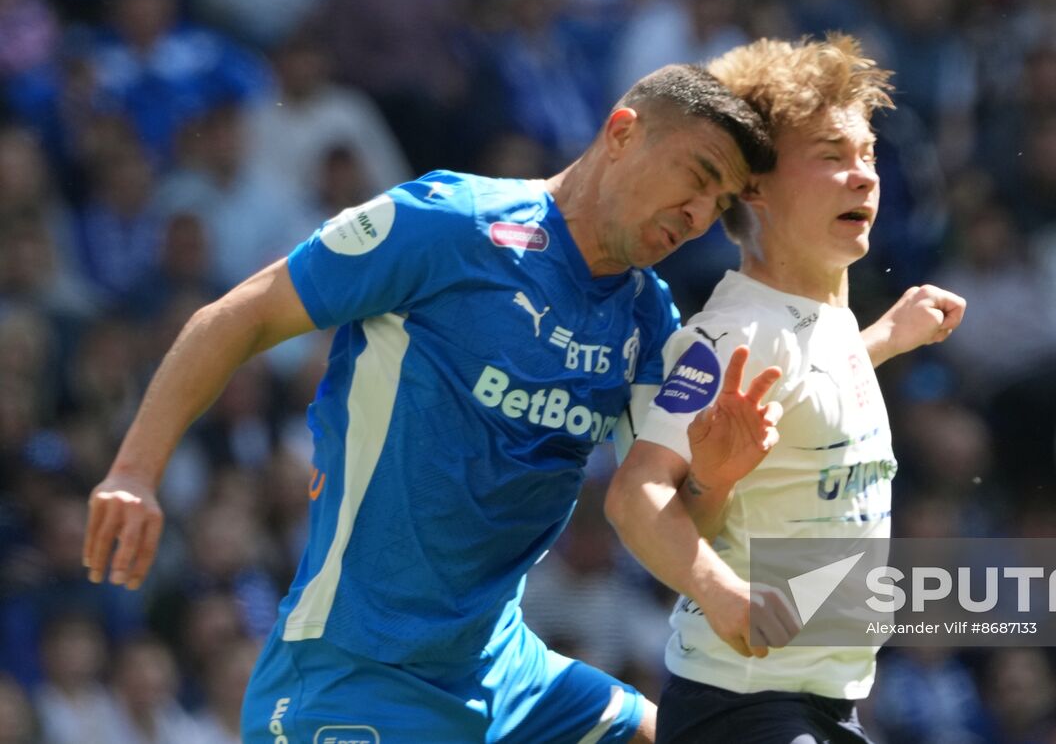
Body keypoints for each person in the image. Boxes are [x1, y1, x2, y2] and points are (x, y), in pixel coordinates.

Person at [82, 63, 774, 743]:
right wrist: (135, 470)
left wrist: (713, 475)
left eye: (720, 205)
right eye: (699, 177)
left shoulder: (649, 318)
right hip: (352, 674)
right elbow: (241, 315)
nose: (699, 216)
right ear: (622, 132)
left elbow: (659, 513)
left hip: (506, 677)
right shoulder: (452, 224)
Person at [605, 34, 967, 744]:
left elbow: (803, 395)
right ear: (756, 188)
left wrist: (886, 338)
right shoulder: (734, 334)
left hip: (823, 700)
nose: (863, 175)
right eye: (832, 157)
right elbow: (634, 494)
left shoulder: (821, 322)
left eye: (866, 154)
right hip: (743, 702)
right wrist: (724, 595)